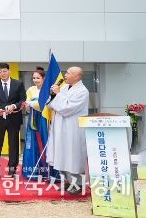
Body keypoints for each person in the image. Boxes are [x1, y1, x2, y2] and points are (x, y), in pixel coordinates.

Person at [46, 66, 89, 195]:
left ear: (77, 76)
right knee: (61, 154)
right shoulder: (64, 87)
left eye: (68, 73)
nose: (65, 75)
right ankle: (69, 181)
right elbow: (51, 104)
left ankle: (79, 184)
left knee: (73, 156)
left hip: (72, 129)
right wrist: (54, 95)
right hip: (60, 127)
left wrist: (58, 95)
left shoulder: (82, 91)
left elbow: (67, 108)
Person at [0, 62, 26, 177]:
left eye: (4, 71)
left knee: (13, 144)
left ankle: (12, 169)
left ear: (9, 71)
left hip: (14, 119)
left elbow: (23, 99)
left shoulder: (18, 83)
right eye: (0, 72)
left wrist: (13, 106)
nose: (3, 73)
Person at [22, 67, 51, 180]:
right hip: (33, 118)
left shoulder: (48, 90)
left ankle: (48, 171)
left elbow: (44, 105)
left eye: (38, 78)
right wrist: (29, 105)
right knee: (32, 142)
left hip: (44, 118)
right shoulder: (30, 89)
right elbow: (28, 106)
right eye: (34, 78)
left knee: (45, 140)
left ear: (43, 78)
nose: (35, 80)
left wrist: (31, 103)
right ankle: (33, 170)